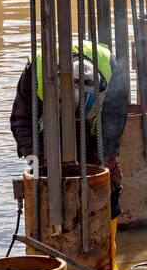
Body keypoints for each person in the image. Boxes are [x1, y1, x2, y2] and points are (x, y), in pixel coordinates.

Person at [10, 41, 126, 255]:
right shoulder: (37, 71)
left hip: (93, 132)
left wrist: (108, 153)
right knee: (49, 197)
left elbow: (116, 113)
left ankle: (107, 260)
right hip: (51, 134)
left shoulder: (107, 64)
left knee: (107, 191)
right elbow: (21, 120)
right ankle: (50, 254)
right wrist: (38, 160)